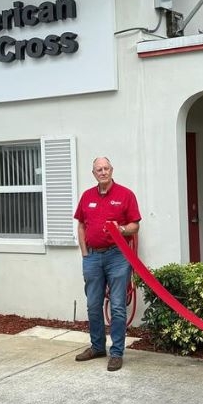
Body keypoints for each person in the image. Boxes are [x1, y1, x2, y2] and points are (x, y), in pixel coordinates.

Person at [73, 157, 141, 372]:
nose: (103, 172)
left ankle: (117, 352)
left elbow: (135, 225)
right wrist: (85, 253)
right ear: (94, 173)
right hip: (92, 257)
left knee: (118, 306)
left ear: (112, 170)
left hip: (117, 257)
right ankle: (97, 347)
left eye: (106, 168)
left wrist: (121, 229)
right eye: (98, 169)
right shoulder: (87, 196)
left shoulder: (125, 194)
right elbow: (81, 225)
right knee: (93, 305)